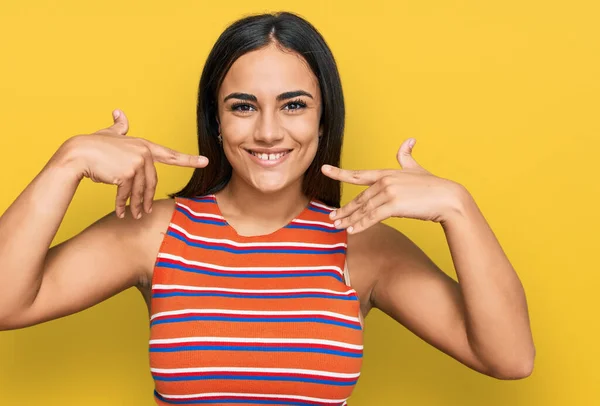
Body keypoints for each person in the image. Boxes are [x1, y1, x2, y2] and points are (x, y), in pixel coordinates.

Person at [0, 11, 535, 406]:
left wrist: (458, 208)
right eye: (243, 107)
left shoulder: (359, 241)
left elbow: (509, 358)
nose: (268, 131)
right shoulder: (160, 231)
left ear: (324, 120)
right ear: (216, 120)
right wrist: (66, 163)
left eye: (294, 105)